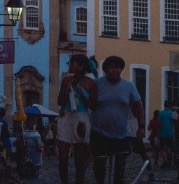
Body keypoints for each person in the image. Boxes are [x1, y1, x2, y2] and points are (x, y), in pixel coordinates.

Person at [90, 55, 145, 184]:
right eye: (111, 68)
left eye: (117, 68)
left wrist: (141, 126)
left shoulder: (129, 86)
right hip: (99, 132)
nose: (114, 70)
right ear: (106, 70)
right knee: (99, 164)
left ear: (121, 69)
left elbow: (138, 106)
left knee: (119, 170)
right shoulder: (97, 84)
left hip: (121, 134)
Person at [57, 53, 98, 184]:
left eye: (72, 63)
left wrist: (81, 93)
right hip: (67, 117)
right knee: (63, 157)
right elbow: (59, 101)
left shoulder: (90, 83)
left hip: (81, 118)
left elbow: (93, 105)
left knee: (79, 158)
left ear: (80, 66)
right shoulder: (66, 79)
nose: (69, 65)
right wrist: (65, 90)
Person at [128, 114, 157, 183]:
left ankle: (150, 172)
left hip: (135, 133)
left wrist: (141, 128)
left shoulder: (135, 105)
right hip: (124, 133)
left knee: (143, 154)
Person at [156, 100, 176, 168]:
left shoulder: (161, 113)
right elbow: (173, 123)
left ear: (164, 105)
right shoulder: (172, 113)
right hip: (170, 133)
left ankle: (165, 160)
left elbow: (158, 124)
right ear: (169, 105)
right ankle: (169, 160)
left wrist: (157, 132)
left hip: (162, 133)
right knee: (169, 147)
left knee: (161, 148)